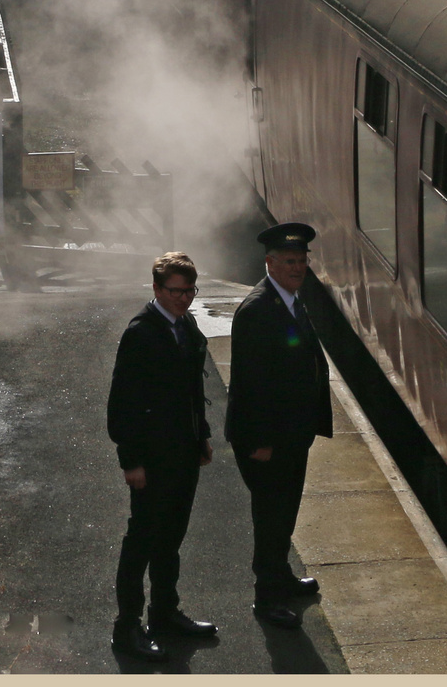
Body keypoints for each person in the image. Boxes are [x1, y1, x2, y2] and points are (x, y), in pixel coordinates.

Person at [107, 252, 217, 661]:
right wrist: (131, 461)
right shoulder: (141, 333)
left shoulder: (185, 326)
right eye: (175, 291)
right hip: (152, 459)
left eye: (189, 291)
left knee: (171, 538)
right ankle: (127, 627)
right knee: (142, 541)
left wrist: (201, 436)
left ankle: (165, 612)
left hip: (182, 454)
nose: (184, 299)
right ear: (156, 289)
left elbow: (192, 391)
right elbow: (123, 403)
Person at [225, 222, 333, 629]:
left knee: (284, 511)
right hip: (267, 440)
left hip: (292, 434)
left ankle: (281, 577)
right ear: (270, 262)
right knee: (270, 516)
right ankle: (267, 598)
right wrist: (260, 441)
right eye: (289, 261)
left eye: (302, 261)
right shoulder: (258, 310)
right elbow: (251, 383)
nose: (297, 267)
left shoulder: (288, 299)